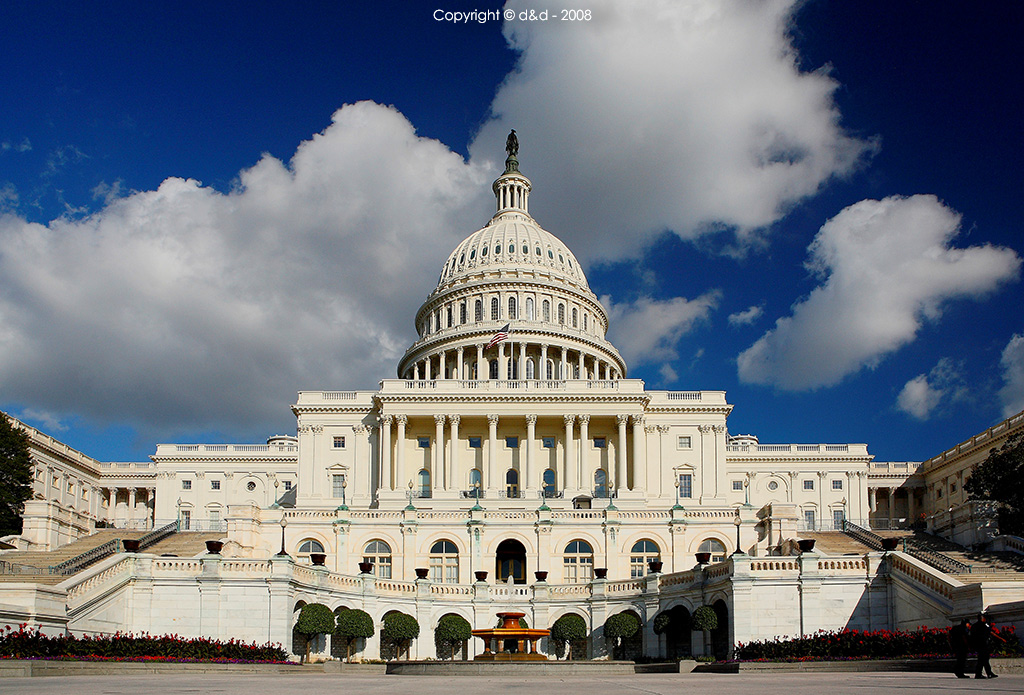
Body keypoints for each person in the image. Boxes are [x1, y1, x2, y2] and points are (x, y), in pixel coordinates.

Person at [971, 612, 998, 679]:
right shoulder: (984, 625)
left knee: (984, 659)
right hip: (983, 644)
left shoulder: (974, 626)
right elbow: (990, 632)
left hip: (977, 644)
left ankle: (989, 673)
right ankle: (979, 674)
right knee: (983, 659)